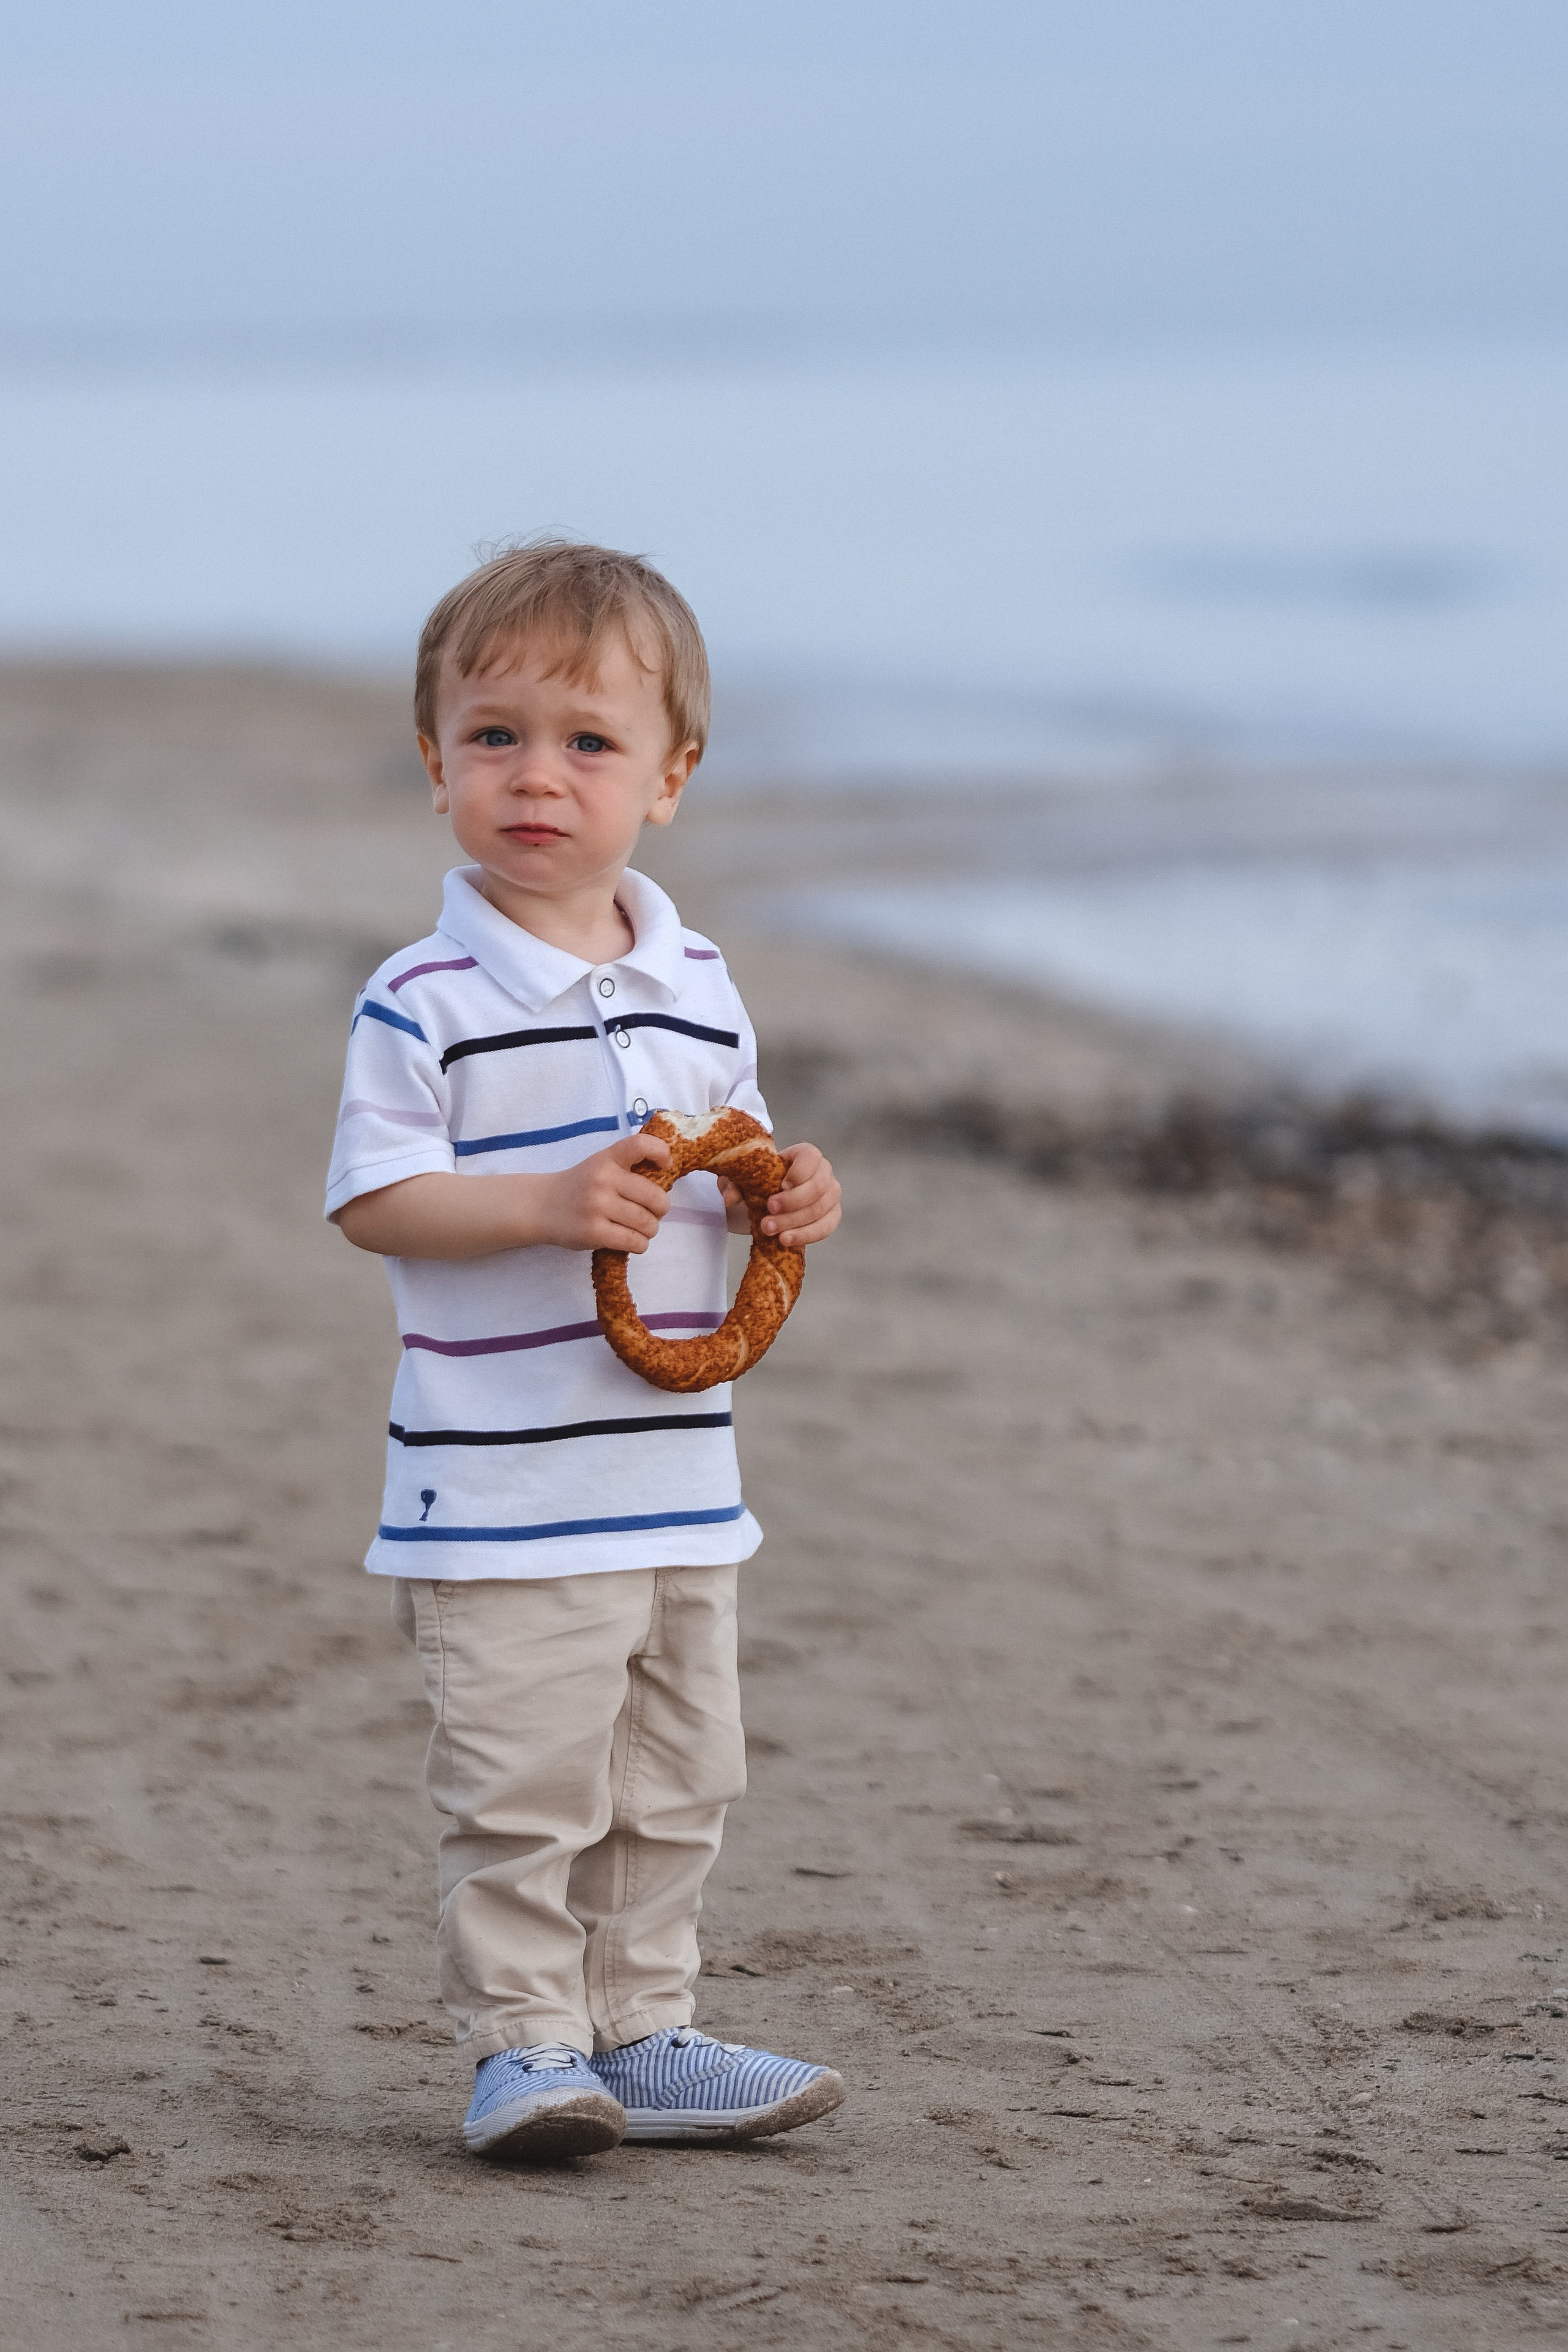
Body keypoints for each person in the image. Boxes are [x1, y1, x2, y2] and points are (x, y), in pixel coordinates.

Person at [326, 541, 845, 2162]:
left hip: (680, 1485)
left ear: (671, 778)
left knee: (676, 1778)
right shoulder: (425, 1002)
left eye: (590, 744)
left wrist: (797, 1192)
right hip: (501, 1487)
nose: (536, 778)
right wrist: (546, 1203)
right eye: (494, 738)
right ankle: (523, 2049)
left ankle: (651, 2030)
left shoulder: (700, 984)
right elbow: (377, 1201)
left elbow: (729, 1161)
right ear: (436, 766)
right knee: (524, 1781)